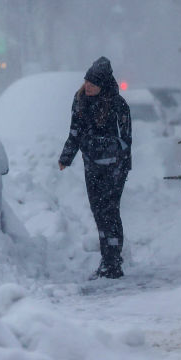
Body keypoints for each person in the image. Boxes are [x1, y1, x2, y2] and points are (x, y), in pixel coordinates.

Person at [58, 56, 132, 280]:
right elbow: (75, 131)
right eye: (86, 82)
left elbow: (127, 139)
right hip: (92, 165)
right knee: (98, 212)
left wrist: (122, 163)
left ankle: (113, 262)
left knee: (110, 211)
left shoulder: (118, 105)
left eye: (93, 83)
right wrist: (66, 157)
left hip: (114, 167)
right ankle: (106, 259)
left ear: (103, 85)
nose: (88, 86)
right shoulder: (80, 100)